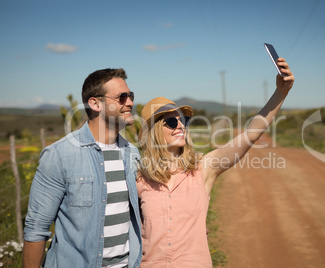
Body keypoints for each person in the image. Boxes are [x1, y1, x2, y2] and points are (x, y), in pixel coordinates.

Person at [136, 58, 295, 267]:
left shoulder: (203, 168)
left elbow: (251, 134)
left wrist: (280, 93)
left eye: (183, 121)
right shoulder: (139, 179)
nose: (180, 126)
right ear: (155, 132)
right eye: (172, 122)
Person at [23, 68, 142, 268]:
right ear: (95, 103)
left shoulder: (133, 154)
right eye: (121, 97)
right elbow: (36, 229)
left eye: (130, 96)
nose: (129, 102)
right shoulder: (60, 155)